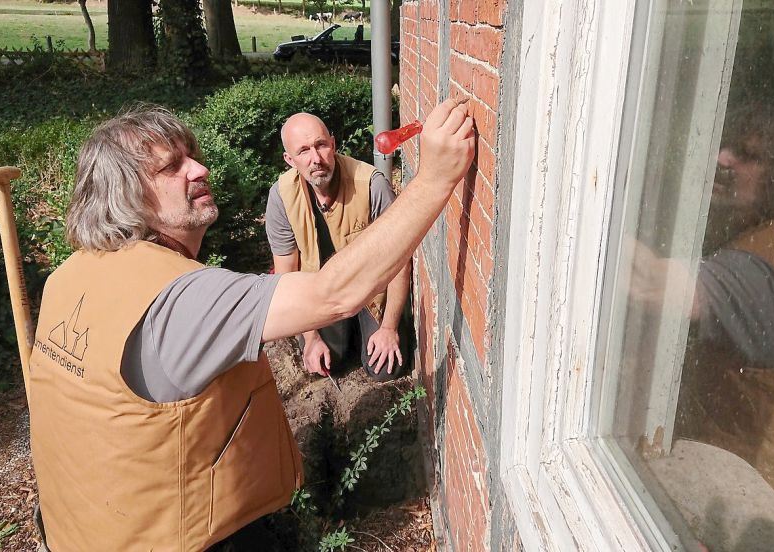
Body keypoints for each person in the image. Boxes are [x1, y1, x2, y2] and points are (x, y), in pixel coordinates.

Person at [28, 98, 474, 551]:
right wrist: (436, 176)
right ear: (126, 195)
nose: (199, 169)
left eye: (192, 156)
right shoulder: (183, 300)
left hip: (82, 531)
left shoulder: (66, 279)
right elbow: (333, 294)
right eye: (171, 168)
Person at [631, 105, 774, 528]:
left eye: (747, 155)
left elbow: (651, 284)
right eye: (725, 147)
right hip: (752, 502)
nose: (722, 158)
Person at [265, 113, 412, 382]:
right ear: (290, 160)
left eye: (321, 145)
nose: (316, 159)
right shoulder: (282, 197)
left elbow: (401, 259)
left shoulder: (370, 183)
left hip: (371, 289)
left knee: (385, 369)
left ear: (333, 144)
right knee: (326, 362)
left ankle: (365, 327)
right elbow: (286, 275)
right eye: (303, 151)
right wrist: (310, 338)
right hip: (322, 291)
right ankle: (347, 334)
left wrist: (389, 327)